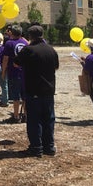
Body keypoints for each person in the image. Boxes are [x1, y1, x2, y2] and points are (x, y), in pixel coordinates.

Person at [14, 25, 59, 158]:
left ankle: (36, 147)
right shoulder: (51, 49)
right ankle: (49, 147)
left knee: (34, 120)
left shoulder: (28, 50)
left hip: (34, 90)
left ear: (30, 36)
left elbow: (16, 63)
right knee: (49, 119)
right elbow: (56, 66)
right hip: (49, 90)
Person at [2, 25, 28, 123]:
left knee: (16, 96)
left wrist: (3, 71)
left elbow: (5, 59)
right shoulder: (26, 43)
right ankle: (25, 115)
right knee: (24, 95)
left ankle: (16, 116)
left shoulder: (9, 43)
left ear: (11, 33)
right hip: (24, 73)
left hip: (14, 72)